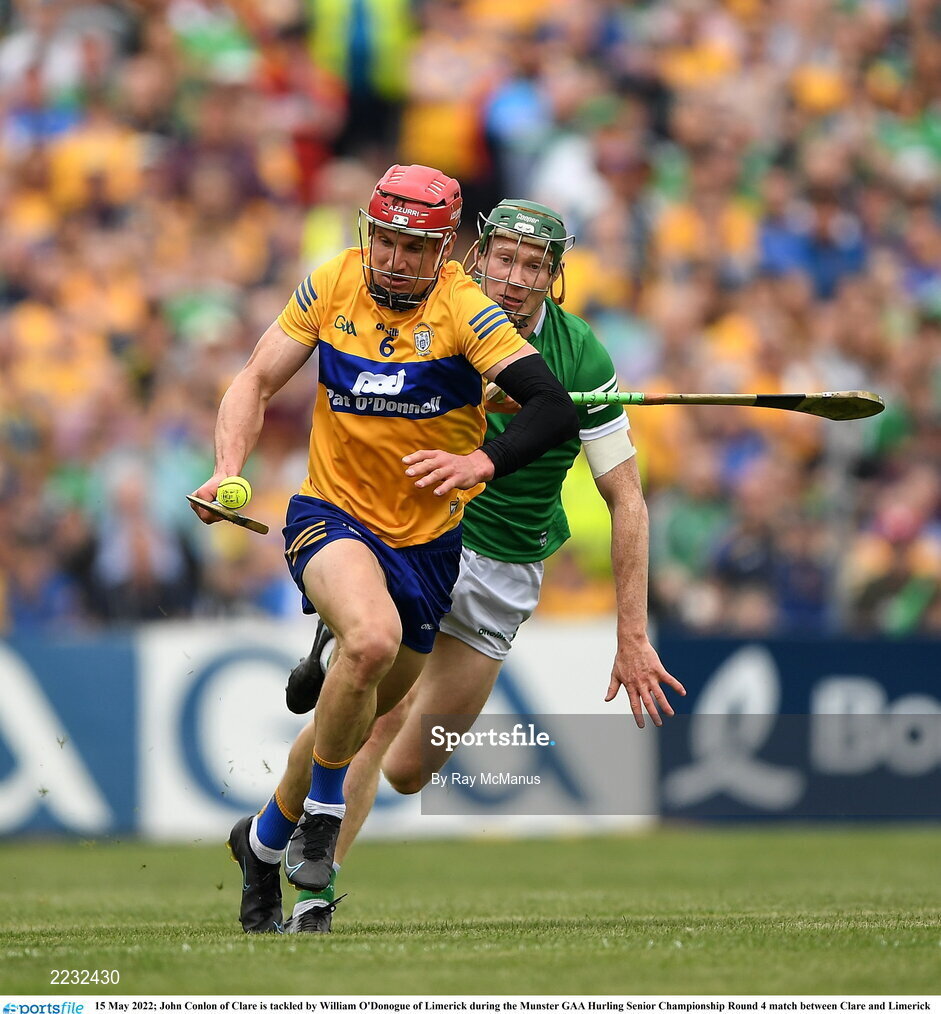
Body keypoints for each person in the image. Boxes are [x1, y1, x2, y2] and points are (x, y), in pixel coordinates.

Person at [190, 166, 580, 934]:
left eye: (413, 247)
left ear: (445, 252)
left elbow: (551, 406)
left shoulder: (466, 311)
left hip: (429, 548)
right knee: (368, 643)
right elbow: (254, 379)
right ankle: (323, 828)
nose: (394, 259)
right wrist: (226, 469)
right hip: (330, 517)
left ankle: (263, 842)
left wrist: (482, 462)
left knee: (363, 703)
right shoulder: (331, 282)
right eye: (385, 242)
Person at [279, 199, 686, 933]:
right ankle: (312, 886)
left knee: (412, 768)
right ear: (478, 257)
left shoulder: (581, 358)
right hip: (427, 537)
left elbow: (627, 502)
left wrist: (631, 634)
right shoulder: (437, 314)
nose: (515, 277)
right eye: (504, 258)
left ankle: (335, 668)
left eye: (534, 265)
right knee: (375, 709)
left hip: (507, 568)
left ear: (555, 278)